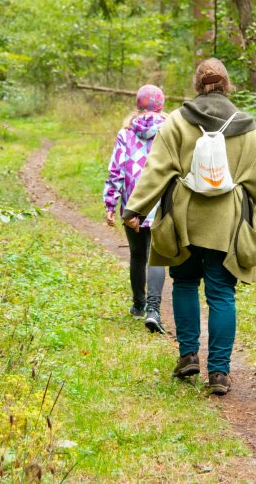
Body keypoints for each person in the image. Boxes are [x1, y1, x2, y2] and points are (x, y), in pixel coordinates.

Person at [122, 59, 256, 395]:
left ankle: (188, 356)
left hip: (184, 219)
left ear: (197, 85)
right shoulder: (244, 124)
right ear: (227, 85)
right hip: (227, 223)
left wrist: (136, 208)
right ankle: (220, 373)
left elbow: (157, 169)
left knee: (183, 283)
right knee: (222, 293)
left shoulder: (179, 121)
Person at [104, 85, 169, 333]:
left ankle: (139, 305)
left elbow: (116, 170)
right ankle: (153, 309)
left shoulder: (126, 132)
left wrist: (111, 202)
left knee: (137, 254)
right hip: (161, 201)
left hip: (133, 203)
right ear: (161, 105)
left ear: (138, 104)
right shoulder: (170, 130)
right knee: (157, 255)